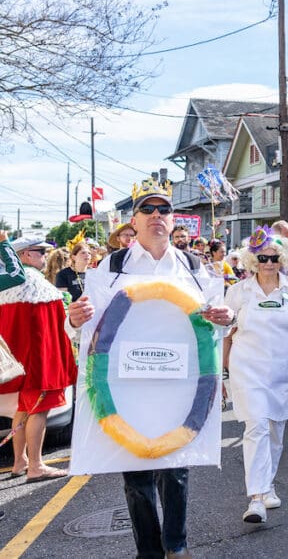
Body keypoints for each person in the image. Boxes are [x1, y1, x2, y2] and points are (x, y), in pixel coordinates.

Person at [67, 181, 234, 557]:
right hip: (128, 384)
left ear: (173, 220)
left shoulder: (194, 267)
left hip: (177, 383)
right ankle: (149, 551)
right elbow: (85, 325)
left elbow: (215, 322)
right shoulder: (109, 268)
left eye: (163, 210)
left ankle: (176, 545)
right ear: (135, 220)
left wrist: (228, 316)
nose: (156, 216)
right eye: (148, 210)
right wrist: (74, 320)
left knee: (175, 469)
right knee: (136, 475)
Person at [223, 227, 288, 523]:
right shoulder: (237, 292)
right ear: (253, 260)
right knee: (257, 427)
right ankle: (256, 498)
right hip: (247, 369)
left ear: (282, 259)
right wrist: (221, 373)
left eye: (274, 258)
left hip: (283, 371)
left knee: (275, 432)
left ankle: (268, 486)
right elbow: (224, 335)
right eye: (263, 258)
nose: (268, 263)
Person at [0, 234, 77, 481]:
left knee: (22, 412)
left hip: (21, 363)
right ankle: (36, 465)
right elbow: (45, 331)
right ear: (24, 255)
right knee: (38, 412)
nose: (45, 257)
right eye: (39, 252)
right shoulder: (33, 283)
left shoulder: (13, 286)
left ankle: (20, 462)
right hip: (38, 363)